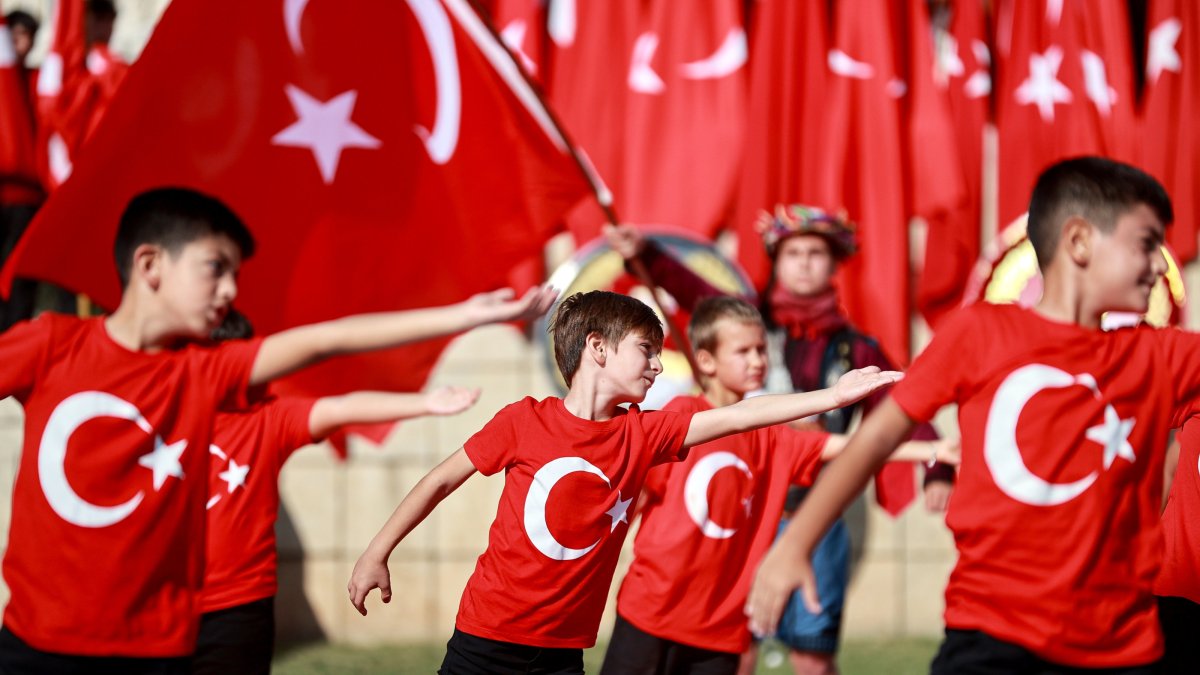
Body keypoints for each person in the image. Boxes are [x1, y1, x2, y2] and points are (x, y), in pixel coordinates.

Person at [0, 186, 556, 674]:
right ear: (150, 266)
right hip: (33, 643)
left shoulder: (203, 373)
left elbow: (326, 340)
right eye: (215, 268)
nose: (228, 290)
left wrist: (465, 316)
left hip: (156, 650)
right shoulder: (51, 344)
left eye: (235, 276)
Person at [746, 156, 1199, 673]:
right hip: (990, 635)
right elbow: (874, 440)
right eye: (1146, 244)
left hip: (1119, 647)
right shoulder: (978, 333)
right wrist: (795, 544)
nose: (1162, 265)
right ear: (1078, 242)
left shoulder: (1163, 357)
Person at [347, 289, 904, 675]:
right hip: (486, 639)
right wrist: (377, 551)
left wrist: (831, 397)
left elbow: (738, 416)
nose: (658, 367)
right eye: (647, 351)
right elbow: (440, 481)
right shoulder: (523, 420)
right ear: (597, 349)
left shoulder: (646, 435)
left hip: (563, 653)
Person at [606, 215, 951, 675]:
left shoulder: (856, 348)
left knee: (812, 652)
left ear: (834, 265)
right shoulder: (750, 323)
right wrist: (646, 254)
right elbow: (700, 299)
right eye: (793, 253)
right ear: (776, 261)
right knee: (735, 645)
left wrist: (936, 461)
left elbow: (899, 405)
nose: (804, 265)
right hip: (746, 508)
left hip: (815, 511)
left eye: (815, 254)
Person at [193, 310, 483, 675]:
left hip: (242, 602)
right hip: (168, 599)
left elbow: (342, 407)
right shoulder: (171, 411)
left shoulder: (268, 418)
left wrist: (425, 403)